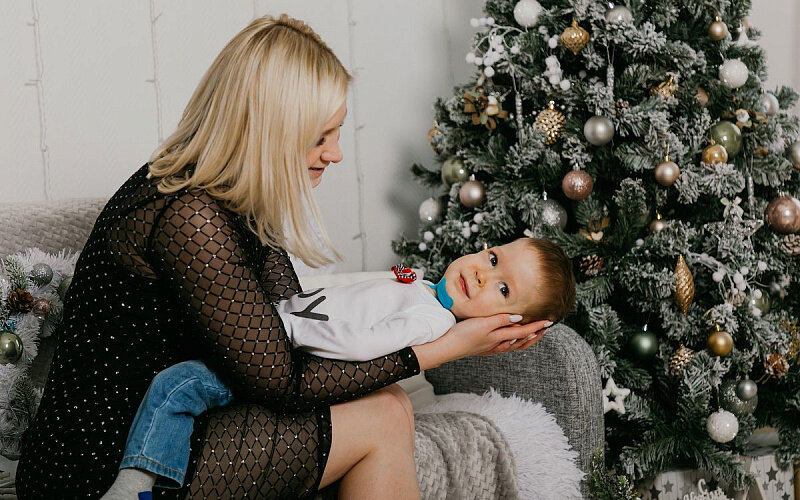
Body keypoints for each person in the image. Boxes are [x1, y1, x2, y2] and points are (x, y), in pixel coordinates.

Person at [16, 14, 552, 500]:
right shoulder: (190, 217)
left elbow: (294, 325)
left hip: (176, 421)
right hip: (107, 461)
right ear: (267, 132)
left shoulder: (235, 194)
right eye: (320, 137)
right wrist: (442, 349)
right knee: (384, 418)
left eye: (337, 131)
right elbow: (286, 382)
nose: (335, 153)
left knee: (390, 402)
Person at [100, 237, 575, 498]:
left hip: (284, 354)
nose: (482, 274)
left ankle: (136, 487)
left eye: (503, 289)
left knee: (177, 387)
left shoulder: (430, 321)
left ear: (506, 324)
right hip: (273, 342)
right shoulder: (424, 291)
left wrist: (286, 329)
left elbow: (358, 344)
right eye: (493, 258)